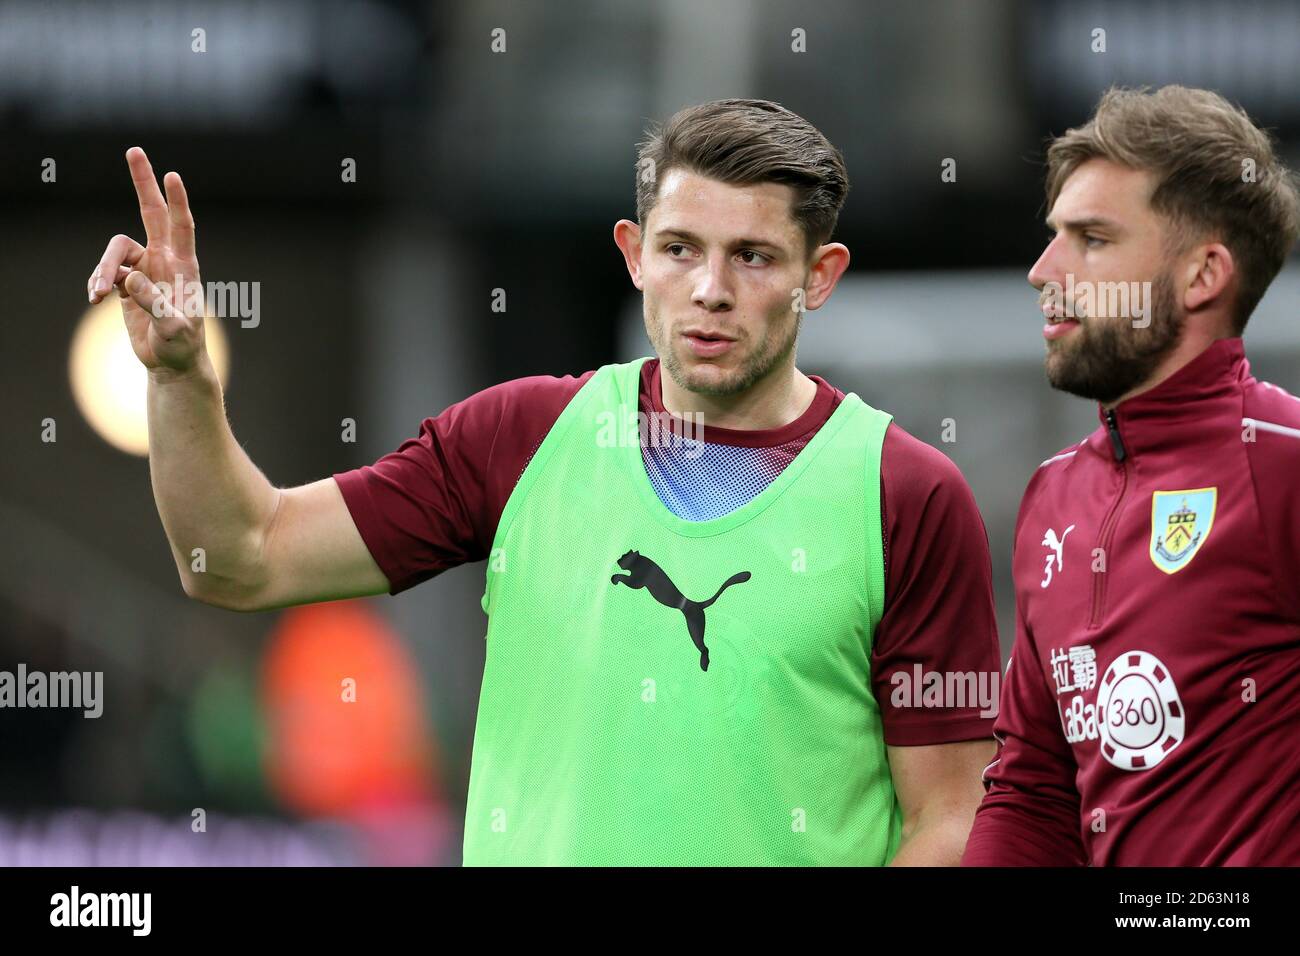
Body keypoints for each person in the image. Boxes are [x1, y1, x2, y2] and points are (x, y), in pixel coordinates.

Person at [90, 98, 998, 866]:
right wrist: (178, 376)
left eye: (753, 257)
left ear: (820, 276)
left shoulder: (905, 494)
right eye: (681, 249)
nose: (710, 288)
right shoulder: (519, 436)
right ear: (635, 253)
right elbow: (241, 558)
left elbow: (948, 819)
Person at [962, 86, 1300, 866]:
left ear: (1201, 276)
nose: (1043, 270)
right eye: (1055, 236)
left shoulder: (1281, 467)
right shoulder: (1053, 496)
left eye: (1092, 239)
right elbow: (1034, 786)